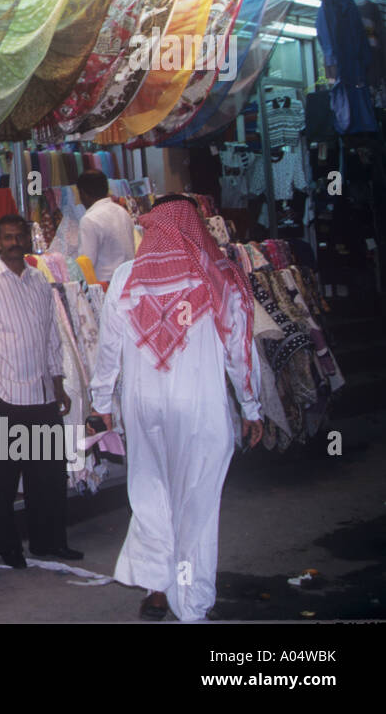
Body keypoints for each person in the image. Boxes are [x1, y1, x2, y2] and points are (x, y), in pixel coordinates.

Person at [88, 196, 262, 621]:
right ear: (194, 226)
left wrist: (100, 402)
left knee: (152, 499)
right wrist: (251, 406)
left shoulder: (127, 279)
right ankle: (192, 603)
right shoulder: (220, 277)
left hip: (143, 409)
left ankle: (157, 591)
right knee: (196, 505)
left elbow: (107, 349)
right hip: (200, 410)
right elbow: (240, 352)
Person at [0, 214, 82, 568]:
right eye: (8, 237)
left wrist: (58, 381)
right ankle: (9, 547)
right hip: (2, 393)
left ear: (27, 239)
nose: (15, 242)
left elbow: (51, 336)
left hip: (42, 394)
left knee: (48, 475)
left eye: (20, 236)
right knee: (1, 478)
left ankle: (49, 542)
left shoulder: (39, 281)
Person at [77, 169, 136, 283]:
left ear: (83, 193)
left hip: (106, 287)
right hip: (129, 281)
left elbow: (86, 264)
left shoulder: (89, 219)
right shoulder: (122, 212)